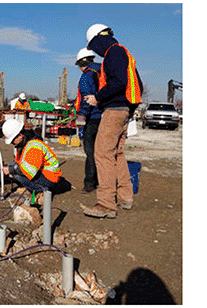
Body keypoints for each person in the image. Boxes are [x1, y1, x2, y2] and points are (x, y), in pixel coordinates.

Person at [81, 23, 143, 219]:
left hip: (114, 110)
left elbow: (119, 82)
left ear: (99, 39)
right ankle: (125, 198)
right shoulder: (123, 52)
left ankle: (106, 204)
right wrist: (129, 110)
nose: (95, 51)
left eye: (93, 46)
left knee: (102, 154)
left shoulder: (113, 54)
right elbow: (136, 85)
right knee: (117, 154)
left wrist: (97, 98)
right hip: (123, 110)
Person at [0, 119, 61, 202]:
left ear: (20, 135)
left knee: (17, 176)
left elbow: (29, 171)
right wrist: (12, 169)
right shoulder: (22, 144)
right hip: (41, 172)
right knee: (13, 167)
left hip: (49, 177)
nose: (12, 143)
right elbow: (19, 162)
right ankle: (34, 188)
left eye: (13, 140)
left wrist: (11, 170)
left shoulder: (34, 146)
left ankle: (41, 190)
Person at [74, 48, 103, 194]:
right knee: (105, 152)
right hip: (105, 117)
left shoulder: (87, 76)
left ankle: (90, 183)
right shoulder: (103, 72)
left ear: (82, 63)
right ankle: (106, 181)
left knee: (91, 153)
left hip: (92, 119)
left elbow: (87, 98)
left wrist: (82, 116)